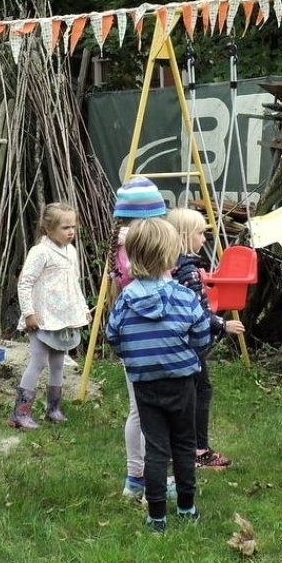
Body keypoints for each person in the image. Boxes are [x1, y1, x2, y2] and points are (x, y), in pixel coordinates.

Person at [105, 217, 212, 531]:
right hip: (181, 381)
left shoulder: (125, 299)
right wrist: (190, 354)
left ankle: (156, 517)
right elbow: (201, 335)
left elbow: (114, 337)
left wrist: (137, 358)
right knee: (183, 444)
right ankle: (187, 508)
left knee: (155, 448)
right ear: (169, 256)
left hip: (145, 384)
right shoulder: (184, 296)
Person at [108, 176, 174, 498]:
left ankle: (141, 477)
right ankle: (139, 477)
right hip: (150, 341)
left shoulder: (125, 244)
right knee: (146, 411)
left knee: (141, 409)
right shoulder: (135, 247)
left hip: (135, 342)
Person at [165, 207, 245, 469]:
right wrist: (223, 323)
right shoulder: (187, 271)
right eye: (200, 233)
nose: (204, 239)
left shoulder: (174, 266)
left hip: (178, 343)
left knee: (188, 393)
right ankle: (198, 450)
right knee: (199, 393)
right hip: (191, 344)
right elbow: (194, 312)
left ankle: (178, 447)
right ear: (186, 236)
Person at [10, 202, 89, 429]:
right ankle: (20, 413)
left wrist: (83, 309)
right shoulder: (40, 252)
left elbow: (74, 283)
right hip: (41, 318)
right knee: (38, 361)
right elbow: (25, 283)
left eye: (73, 226)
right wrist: (29, 313)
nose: (71, 231)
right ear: (48, 229)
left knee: (57, 363)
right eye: (65, 227)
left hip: (62, 319)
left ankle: (53, 409)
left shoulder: (71, 252)